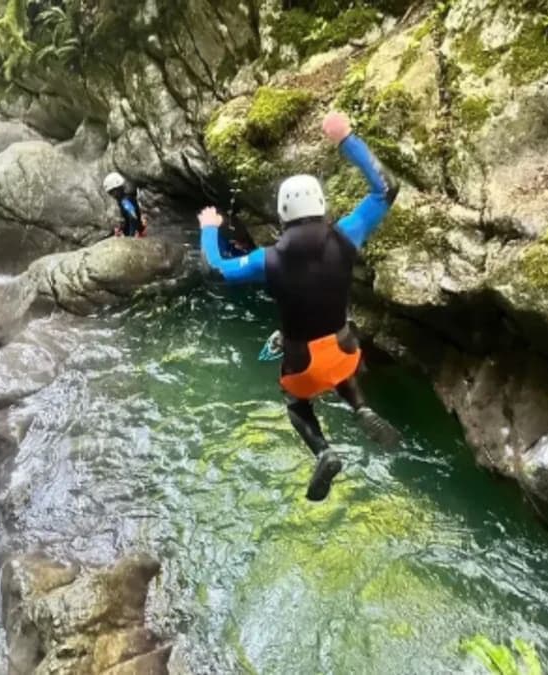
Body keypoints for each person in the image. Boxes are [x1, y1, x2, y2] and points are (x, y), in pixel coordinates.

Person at [198, 111, 402, 502]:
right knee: (339, 365)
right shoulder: (346, 235)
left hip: (302, 366)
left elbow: (218, 271)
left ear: (281, 214)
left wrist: (210, 229)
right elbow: (385, 190)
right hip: (346, 352)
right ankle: (360, 406)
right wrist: (347, 139)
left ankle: (323, 450)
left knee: (296, 404)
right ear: (322, 205)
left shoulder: (267, 259)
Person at [103, 172, 148, 238]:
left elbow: (133, 217)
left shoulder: (125, 201)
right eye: (110, 193)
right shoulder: (123, 200)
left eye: (112, 192)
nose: (112, 195)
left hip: (138, 232)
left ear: (118, 188)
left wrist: (131, 236)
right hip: (134, 230)